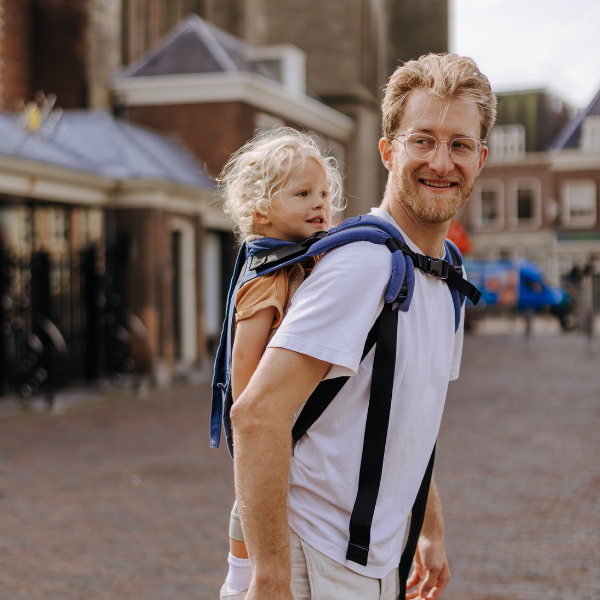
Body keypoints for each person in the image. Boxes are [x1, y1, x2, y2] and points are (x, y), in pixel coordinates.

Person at [230, 53, 496, 600]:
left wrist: (429, 527)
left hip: (376, 562)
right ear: (388, 151)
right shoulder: (364, 264)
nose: (441, 162)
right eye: (422, 140)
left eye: (459, 144)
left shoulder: (448, 274)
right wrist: (271, 579)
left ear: (481, 159)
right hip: (312, 559)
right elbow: (257, 415)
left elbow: (410, 417)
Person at [216, 128, 344, 598]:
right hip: (274, 423)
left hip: (293, 418)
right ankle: (238, 574)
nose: (320, 203)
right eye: (303, 193)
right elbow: (244, 366)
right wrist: (269, 425)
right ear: (262, 209)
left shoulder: (299, 264)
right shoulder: (266, 279)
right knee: (254, 497)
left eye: (325, 194)